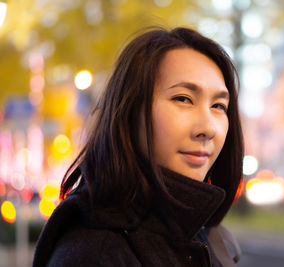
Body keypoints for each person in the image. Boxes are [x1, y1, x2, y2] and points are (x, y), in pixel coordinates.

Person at [33, 26, 244, 267]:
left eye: (218, 106)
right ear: (130, 112)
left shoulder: (197, 234)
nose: (208, 128)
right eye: (183, 99)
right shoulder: (95, 254)